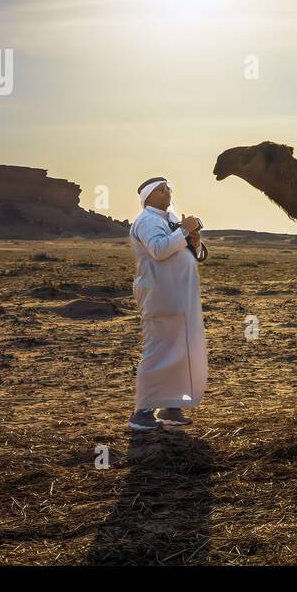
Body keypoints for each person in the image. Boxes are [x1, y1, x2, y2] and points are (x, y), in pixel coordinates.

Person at [127, 177, 208, 431]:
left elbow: (197, 255)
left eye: (168, 187)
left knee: (181, 350)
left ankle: (171, 408)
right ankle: (142, 411)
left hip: (180, 296)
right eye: (161, 189)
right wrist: (183, 231)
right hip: (159, 294)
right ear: (148, 197)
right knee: (159, 349)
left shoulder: (169, 218)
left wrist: (194, 240)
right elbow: (159, 250)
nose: (167, 191)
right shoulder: (147, 221)